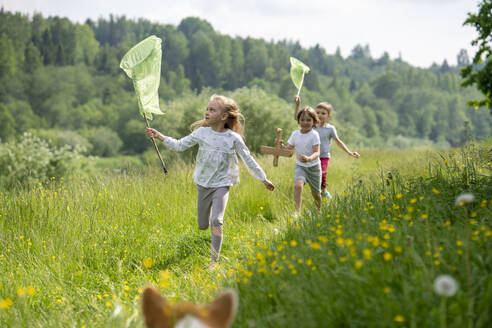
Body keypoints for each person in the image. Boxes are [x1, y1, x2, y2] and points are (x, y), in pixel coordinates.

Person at [146, 94, 275, 270]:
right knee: (202, 225)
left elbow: (248, 159)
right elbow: (179, 145)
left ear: (223, 116)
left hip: (222, 184)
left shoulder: (233, 138)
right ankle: (208, 235)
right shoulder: (201, 133)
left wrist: (263, 178)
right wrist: (160, 136)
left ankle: (214, 261)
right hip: (203, 183)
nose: (207, 112)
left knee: (216, 221)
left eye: (212, 110)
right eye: (207, 109)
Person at [295, 97, 360, 200]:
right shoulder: (311, 126)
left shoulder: (330, 129)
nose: (320, 115)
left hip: (323, 157)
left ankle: (324, 191)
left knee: (322, 173)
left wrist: (349, 152)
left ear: (328, 116)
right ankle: (317, 190)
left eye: (323, 113)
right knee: (308, 175)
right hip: (311, 156)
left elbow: (338, 142)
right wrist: (298, 105)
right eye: (318, 112)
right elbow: (298, 118)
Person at [283, 105, 321, 215]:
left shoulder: (314, 135)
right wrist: (282, 148)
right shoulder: (295, 134)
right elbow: (288, 148)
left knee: (316, 194)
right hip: (300, 166)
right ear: (298, 121)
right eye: (302, 120)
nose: (305, 122)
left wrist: (309, 158)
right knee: (298, 186)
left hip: (314, 167)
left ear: (314, 121)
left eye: (309, 120)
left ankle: (318, 212)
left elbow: (317, 152)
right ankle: (297, 212)